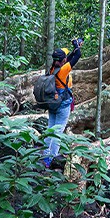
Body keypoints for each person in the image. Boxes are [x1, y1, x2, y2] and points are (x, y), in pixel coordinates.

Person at [43, 37, 83, 167]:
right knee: (58, 131)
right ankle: (52, 158)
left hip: (52, 104)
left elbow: (72, 55)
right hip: (62, 104)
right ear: (63, 60)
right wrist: (76, 45)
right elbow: (77, 55)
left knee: (51, 128)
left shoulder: (52, 69)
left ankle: (45, 156)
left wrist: (76, 46)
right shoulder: (64, 70)